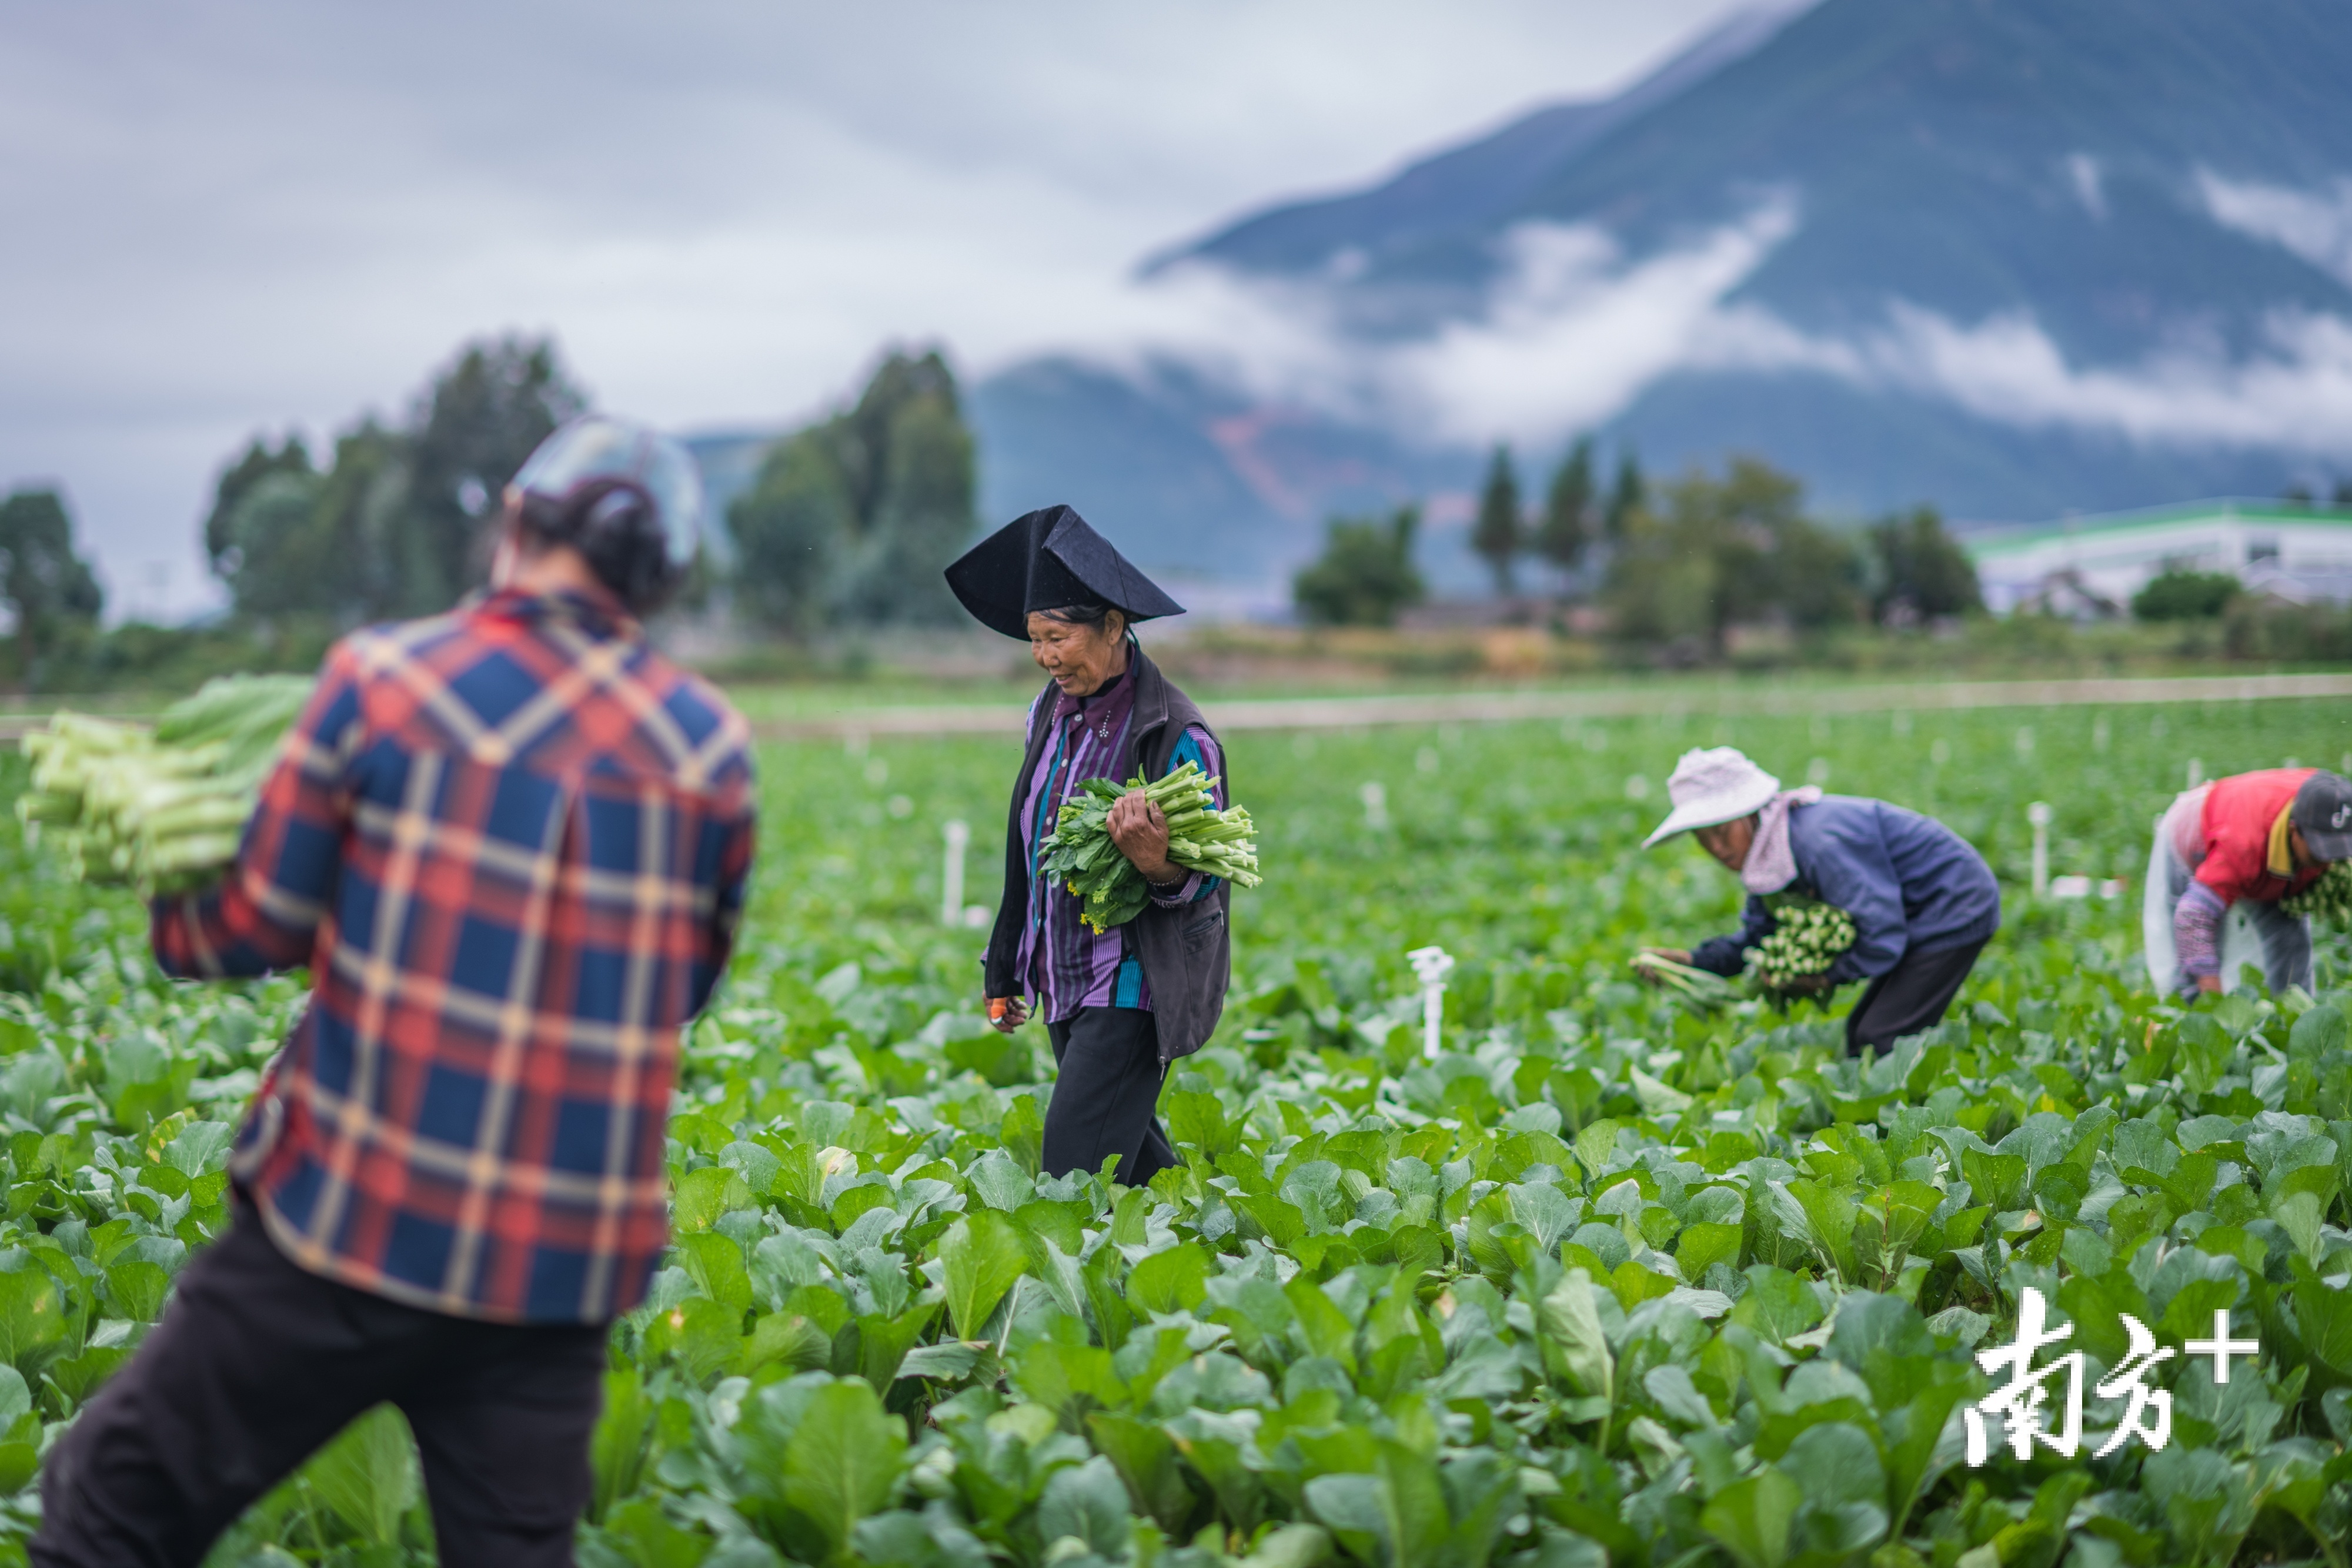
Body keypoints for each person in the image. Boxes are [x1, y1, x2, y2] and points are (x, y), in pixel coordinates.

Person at [32, 417, 757, 1568]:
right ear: (657, 580)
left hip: (349, 1218)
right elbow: (680, 986)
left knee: (112, 1510)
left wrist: (172, 902)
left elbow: (250, 921)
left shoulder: (385, 678)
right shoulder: (709, 748)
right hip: (554, 1271)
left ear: (517, 523)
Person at [948, 505, 1230, 1190]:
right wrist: (1009, 963)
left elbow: (1202, 882)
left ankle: (1077, 1291)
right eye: (1034, 640)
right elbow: (1033, 849)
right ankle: (1228, 1254)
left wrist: (1154, 860)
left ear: (1112, 626)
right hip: (1064, 974)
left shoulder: (1176, 735)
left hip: (1134, 984)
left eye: (1058, 638)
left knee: (1072, 1176)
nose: (1046, 657)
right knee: (1131, 1168)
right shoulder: (1047, 715)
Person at [1639, 746, 2000, 1056]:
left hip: (1954, 902)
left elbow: (1882, 934)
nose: (1717, 849)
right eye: (1702, 839)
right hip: (1916, 912)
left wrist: (1825, 976)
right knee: (1861, 1032)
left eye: (1721, 831)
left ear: (1749, 813)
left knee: (1881, 1035)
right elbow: (1756, 940)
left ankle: (1915, 1123)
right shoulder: (1768, 856)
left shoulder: (1815, 842)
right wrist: (1690, 963)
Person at [2143, 767, 2351, 998]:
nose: (2328, 862)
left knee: (2291, 939)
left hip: (2261, 831)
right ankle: (2187, 1016)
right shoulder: (2242, 847)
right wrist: (2213, 1001)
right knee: (2196, 963)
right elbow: (2192, 917)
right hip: (2195, 835)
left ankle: (2292, 1017)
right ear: (2294, 830)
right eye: (2318, 851)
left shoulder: (2333, 799)